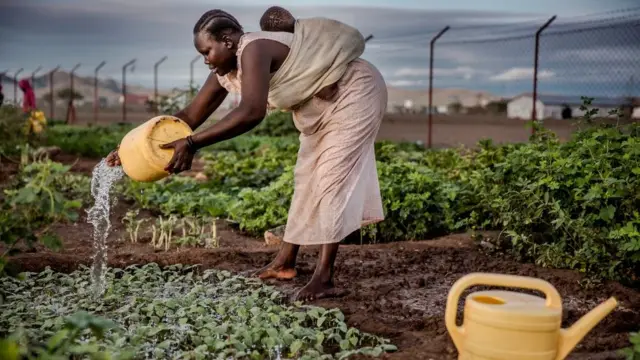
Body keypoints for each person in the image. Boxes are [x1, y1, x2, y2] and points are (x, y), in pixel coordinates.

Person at [106, 9, 387, 301]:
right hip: (318, 107)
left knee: (331, 179)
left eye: (207, 51)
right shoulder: (226, 71)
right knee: (306, 179)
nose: (205, 60)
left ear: (227, 40)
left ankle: (324, 278)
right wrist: (132, 148)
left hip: (354, 92)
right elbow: (189, 116)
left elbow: (251, 112)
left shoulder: (254, 49)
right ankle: (284, 263)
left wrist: (192, 144)